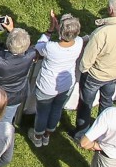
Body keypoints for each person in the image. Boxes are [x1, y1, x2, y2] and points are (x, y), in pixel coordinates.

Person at [24, 15, 84, 146]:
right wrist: (59, 28)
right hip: (66, 85)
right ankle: (47, 136)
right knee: (57, 110)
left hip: (47, 86)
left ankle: (37, 137)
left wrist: (50, 29)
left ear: (61, 31)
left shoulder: (51, 47)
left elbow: (39, 46)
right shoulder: (79, 42)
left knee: (42, 113)